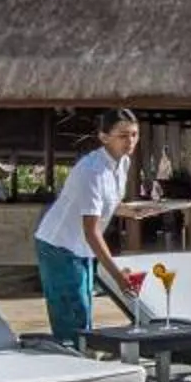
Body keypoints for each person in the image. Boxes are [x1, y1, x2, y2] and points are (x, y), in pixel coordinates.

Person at [34, 108, 138, 347]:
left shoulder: (123, 163)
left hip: (82, 247)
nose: (130, 141)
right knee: (72, 314)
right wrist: (117, 276)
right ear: (104, 137)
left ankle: (81, 358)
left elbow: (108, 204)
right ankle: (69, 366)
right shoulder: (91, 171)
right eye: (123, 135)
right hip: (59, 245)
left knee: (84, 308)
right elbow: (91, 231)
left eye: (134, 134)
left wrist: (133, 211)